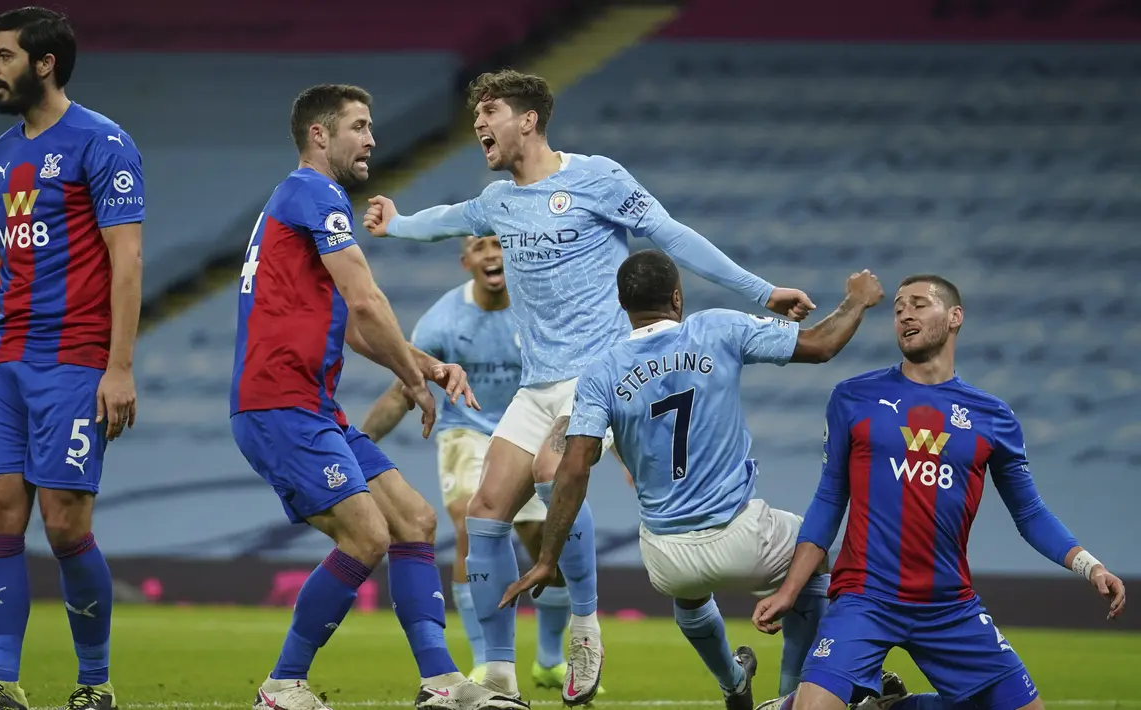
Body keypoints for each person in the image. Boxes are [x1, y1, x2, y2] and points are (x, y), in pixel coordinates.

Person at [361, 68, 815, 705]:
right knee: (484, 512)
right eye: (475, 119)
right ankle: (498, 675)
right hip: (537, 381)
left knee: (553, 472)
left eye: (489, 113)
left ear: (529, 119)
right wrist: (396, 222)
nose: (479, 128)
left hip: (601, 373)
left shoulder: (598, 177)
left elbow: (672, 235)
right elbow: (447, 219)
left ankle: (583, 622)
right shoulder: (498, 201)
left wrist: (761, 291)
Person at [230, 83, 527, 710]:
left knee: (414, 520)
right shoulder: (314, 192)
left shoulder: (300, 201)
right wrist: (415, 383)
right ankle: (283, 684)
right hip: (277, 404)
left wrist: (425, 364)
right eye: (360, 126)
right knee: (366, 537)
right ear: (320, 135)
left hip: (311, 405)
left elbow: (355, 322)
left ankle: (440, 681)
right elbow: (367, 299)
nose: (371, 139)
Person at [499, 250, 884, 710]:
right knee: (813, 551)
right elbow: (821, 345)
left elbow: (574, 467)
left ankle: (732, 682)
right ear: (677, 298)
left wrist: (547, 559)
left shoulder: (601, 371)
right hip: (743, 539)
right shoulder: (717, 328)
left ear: (622, 305)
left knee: (690, 591)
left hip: (665, 556)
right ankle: (788, 698)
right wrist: (856, 301)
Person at [749, 275, 1127, 710]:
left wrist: (1089, 566)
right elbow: (830, 500)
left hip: (948, 605)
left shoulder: (993, 417)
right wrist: (790, 591)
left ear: (954, 318)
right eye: (897, 308)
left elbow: (1029, 513)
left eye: (919, 304)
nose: (904, 313)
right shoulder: (854, 398)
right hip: (865, 598)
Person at [0, 7, 145, 710]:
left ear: (44, 63)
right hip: (6, 361)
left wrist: (118, 366)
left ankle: (93, 684)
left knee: (65, 521)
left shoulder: (103, 143)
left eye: (3, 55)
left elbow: (126, 259)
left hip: (73, 360)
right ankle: (2, 683)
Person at [360, 235, 604, 695]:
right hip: (466, 428)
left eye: (499, 244)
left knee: (542, 536)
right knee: (471, 519)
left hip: (528, 428)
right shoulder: (443, 320)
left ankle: (551, 658)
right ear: (466, 261)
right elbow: (403, 388)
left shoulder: (538, 309)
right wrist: (361, 439)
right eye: (480, 246)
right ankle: (484, 660)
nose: (491, 253)